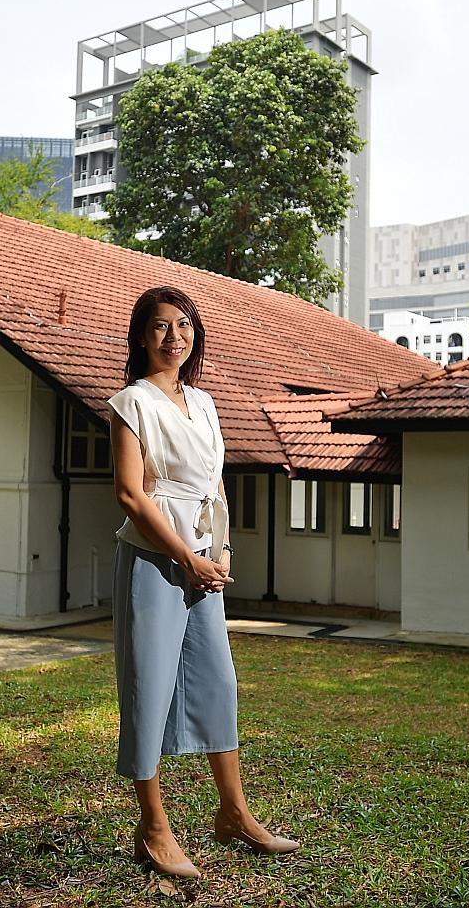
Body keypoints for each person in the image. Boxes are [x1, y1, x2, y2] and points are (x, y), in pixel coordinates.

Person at [108, 285, 300, 879]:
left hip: (203, 564)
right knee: (148, 686)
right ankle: (154, 827)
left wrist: (219, 550)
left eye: (185, 325)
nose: (175, 337)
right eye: (162, 327)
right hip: (154, 560)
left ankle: (234, 812)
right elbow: (131, 494)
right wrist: (187, 558)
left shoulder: (206, 404)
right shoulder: (130, 403)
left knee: (218, 682)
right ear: (143, 336)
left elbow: (214, 486)